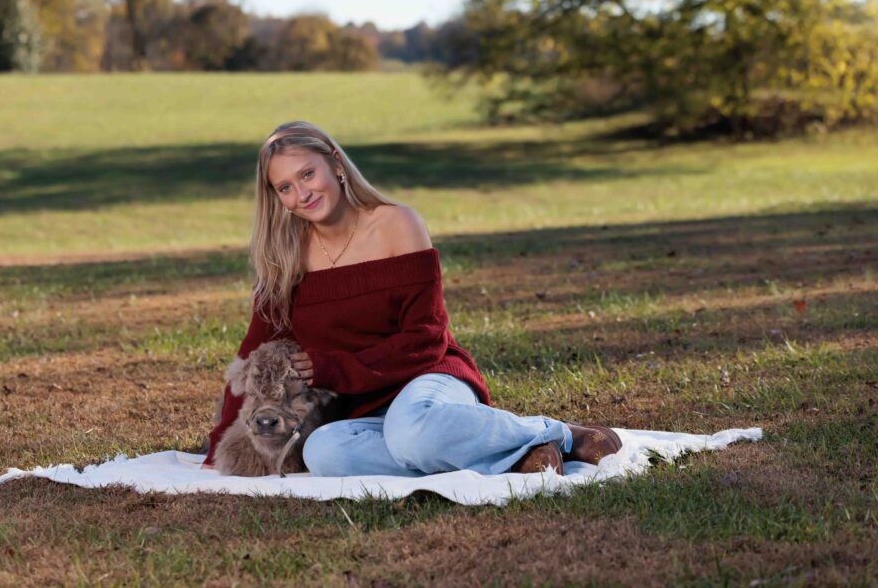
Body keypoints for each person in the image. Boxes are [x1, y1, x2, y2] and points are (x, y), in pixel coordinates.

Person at [201, 121, 621, 476]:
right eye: (285, 188)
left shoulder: (396, 224)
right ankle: (511, 456)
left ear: (335, 162)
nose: (301, 194)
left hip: (427, 378)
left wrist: (336, 368)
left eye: (308, 175)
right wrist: (220, 444)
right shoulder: (284, 258)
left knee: (411, 431)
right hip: (358, 409)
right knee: (322, 453)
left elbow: (427, 337)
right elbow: (252, 353)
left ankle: (558, 434)